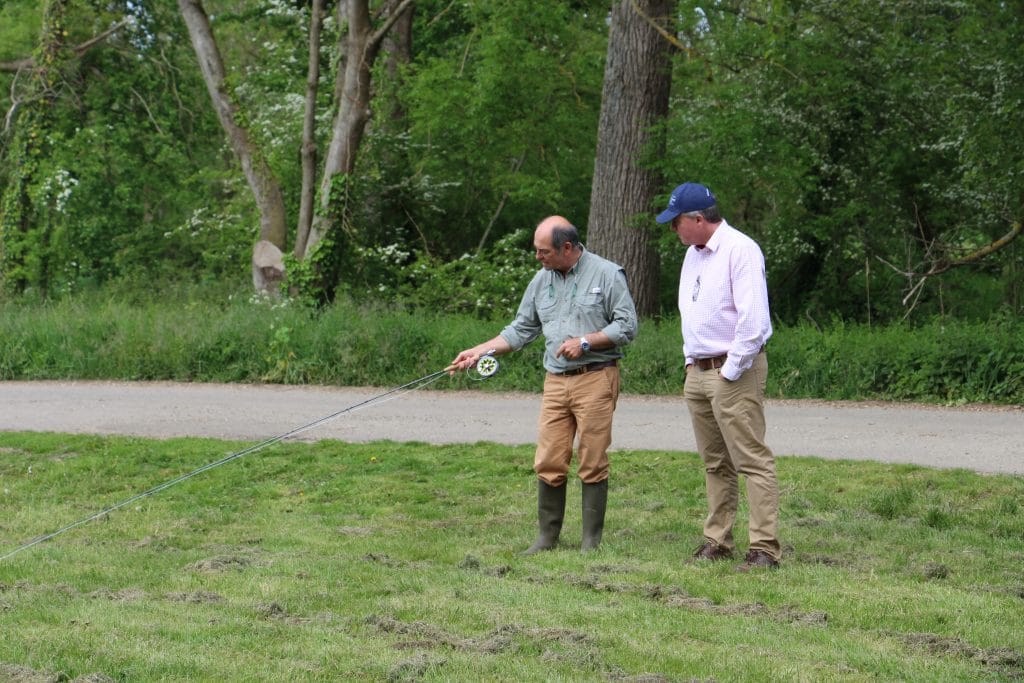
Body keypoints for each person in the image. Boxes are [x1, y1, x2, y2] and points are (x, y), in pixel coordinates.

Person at [448, 216, 638, 554]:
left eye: (543, 251)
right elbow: (521, 329)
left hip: (596, 377)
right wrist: (478, 351)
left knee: (592, 458)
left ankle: (590, 542)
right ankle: (547, 538)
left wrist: (586, 341)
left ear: (567, 248)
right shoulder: (541, 280)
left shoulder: (608, 274)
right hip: (555, 381)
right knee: (549, 458)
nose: (538, 257)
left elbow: (627, 326)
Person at [655, 182, 781, 571]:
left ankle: (764, 548)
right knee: (714, 462)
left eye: (676, 222)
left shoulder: (740, 249)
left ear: (697, 219)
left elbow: (754, 321)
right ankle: (718, 540)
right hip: (699, 369)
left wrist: (730, 370)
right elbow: (692, 309)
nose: (672, 230)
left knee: (751, 459)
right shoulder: (693, 255)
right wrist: (690, 361)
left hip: (733, 370)